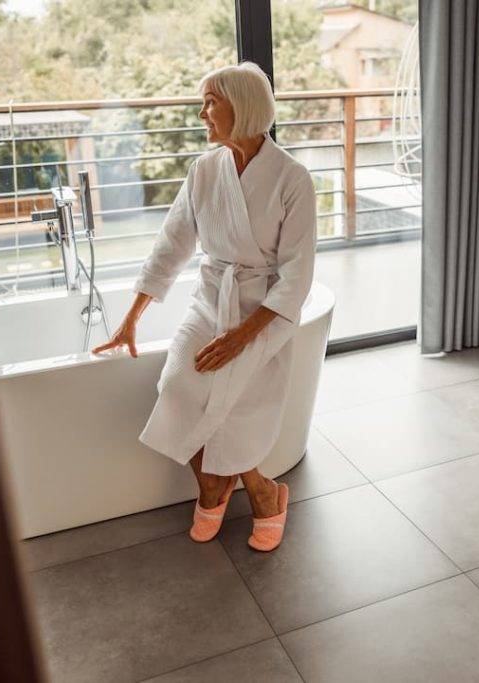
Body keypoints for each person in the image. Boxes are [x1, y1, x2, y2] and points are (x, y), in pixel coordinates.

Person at [92, 62, 317, 552]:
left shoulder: (292, 179)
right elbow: (170, 246)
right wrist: (131, 320)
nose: (201, 113)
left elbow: (297, 275)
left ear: (243, 105)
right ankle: (242, 487)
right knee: (177, 385)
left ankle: (250, 494)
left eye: (211, 101)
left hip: (265, 311)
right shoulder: (203, 170)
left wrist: (242, 336)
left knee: (233, 399)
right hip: (212, 298)